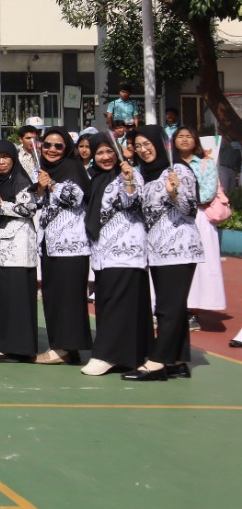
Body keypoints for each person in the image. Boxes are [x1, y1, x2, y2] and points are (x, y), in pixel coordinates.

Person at [127, 126, 200, 380]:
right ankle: (177, 359)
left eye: (147, 144)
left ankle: (158, 362)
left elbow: (191, 209)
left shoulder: (178, 170)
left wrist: (175, 192)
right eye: (138, 146)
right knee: (172, 306)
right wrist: (129, 182)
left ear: (160, 143)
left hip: (179, 248)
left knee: (169, 308)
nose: (143, 150)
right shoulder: (145, 174)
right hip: (157, 250)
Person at [81, 133, 152, 377]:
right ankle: (126, 356)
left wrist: (129, 179)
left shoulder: (129, 174)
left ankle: (107, 355)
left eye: (109, 151)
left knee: (118, 303)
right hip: (102, 252)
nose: (105, 157)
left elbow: (132, 201)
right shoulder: (94, 178)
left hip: (125, 250)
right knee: (108, 302)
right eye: (99, 152)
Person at [30, 127, 92, 365]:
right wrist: (40, 187)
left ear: (67, 148)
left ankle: (65, 348)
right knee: (54, 296)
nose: (52, 150)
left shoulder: (73, 168)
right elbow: (36, 203)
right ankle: (64, 347)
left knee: (69, 298)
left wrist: (52, 185)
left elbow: (77, 197)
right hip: (50, 244)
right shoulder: (43, 170)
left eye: (58, 146)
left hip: (71, 245)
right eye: (47, 145)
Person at [0, 141, 39, 361]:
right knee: (1, 298)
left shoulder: (22, 181)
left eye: (6, 157)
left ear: (14, 159)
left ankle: (20, 348)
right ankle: (1, 344)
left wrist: (0, 204)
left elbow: (29, 208)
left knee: (17, 298)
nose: (1, 162)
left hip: (18, 248)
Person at [170, 126, 227, 323]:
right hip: (172, 219)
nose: (185, 139)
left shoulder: (206, 164)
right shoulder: (168, 164)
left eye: (189, 136)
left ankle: (192, 309)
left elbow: (208, 193)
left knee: (200, 265)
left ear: (195, 141)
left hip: (199, 218)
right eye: (180, 136)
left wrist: (179, 197)